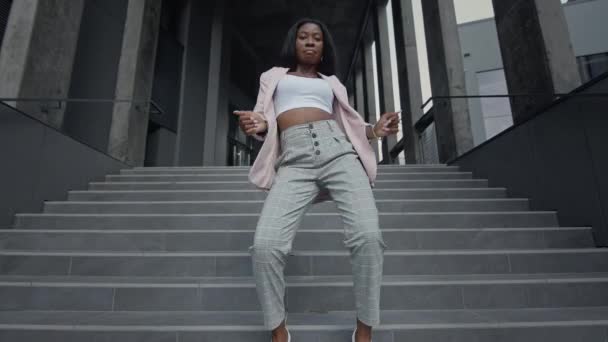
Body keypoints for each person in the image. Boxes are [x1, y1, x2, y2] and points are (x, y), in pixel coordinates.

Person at [234, 18, 400, 342]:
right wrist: (258, 125)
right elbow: (263, 119)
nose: (310, 42)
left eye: (317, 38)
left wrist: (374, 131)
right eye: (303, 37)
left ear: (324, 47)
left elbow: (349, 125)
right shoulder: (273, 77)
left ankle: (364, 330)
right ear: (293, 43)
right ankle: (278, 330)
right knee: (266, 246)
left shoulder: (333, 83)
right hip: (294, 162)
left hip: (339, 154)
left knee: (368, 237)